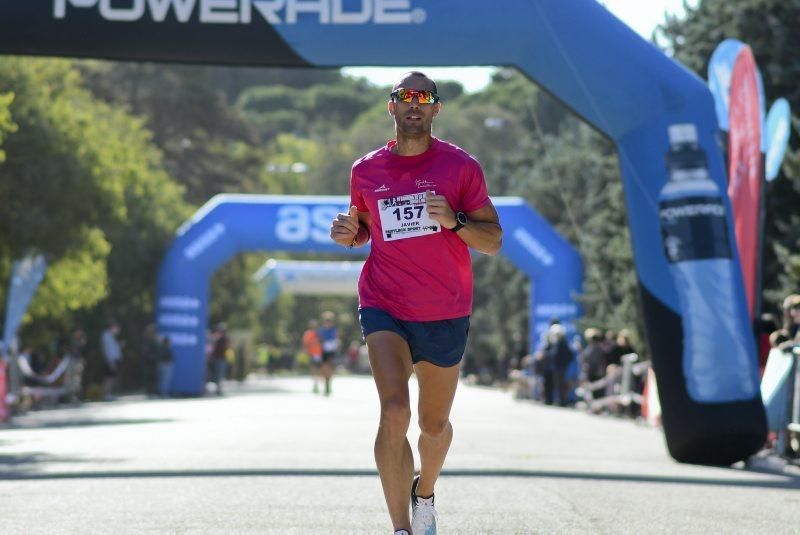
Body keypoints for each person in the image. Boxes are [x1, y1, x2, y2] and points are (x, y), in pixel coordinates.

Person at [330, 71, 502, 535]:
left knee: (433, 426)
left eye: (423, 98)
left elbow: (492, 241)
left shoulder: (460, 167)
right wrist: (351, 233)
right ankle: (401, 528)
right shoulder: (365, 170)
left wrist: (456, 219)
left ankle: (424, 492)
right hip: (384, 300)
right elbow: (364, 225)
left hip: (445, 309)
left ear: (435, 109)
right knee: (394, 412)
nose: (414, 104)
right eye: (405, 97)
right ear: (390, 106)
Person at [317, 311, 339, 396]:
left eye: (329, 321)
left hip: (331, 351)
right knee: (324, 368)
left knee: (330, 368)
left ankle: (328, 383)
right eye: (326, 321)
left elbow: (336, 339)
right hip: (324, 351)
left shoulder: (334, 330)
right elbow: (319, 340)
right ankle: (325, 383)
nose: (328, 323)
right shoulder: (321, 330)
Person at [100, 320, 123, 401]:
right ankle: (106, 394)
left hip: (113, 360)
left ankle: (109, 394)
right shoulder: (106, 335)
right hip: (110, 360)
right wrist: (111, 362)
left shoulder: (111, 336)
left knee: (111, 378)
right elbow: (108, 350)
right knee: (109, 378)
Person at [302, 319, 323, 393]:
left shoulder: (320, 332)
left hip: (320, 354)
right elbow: (305, 344)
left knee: (320, 370)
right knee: (313, 369)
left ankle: (322, 384)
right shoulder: (308, 333)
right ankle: (315, 384)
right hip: (312, 354)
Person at [209, 323, 229, 396]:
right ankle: (217, 389)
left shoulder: (223, 339)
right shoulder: (218, 338)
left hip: (221, 359)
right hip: (217, 359)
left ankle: (219, 390)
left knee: (219, 375)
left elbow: (223, 348)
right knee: (216, 375)